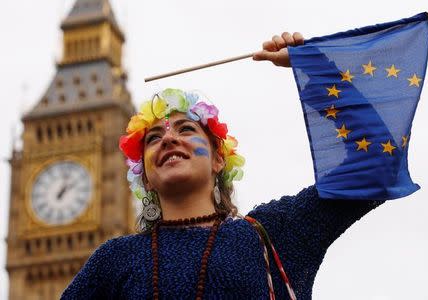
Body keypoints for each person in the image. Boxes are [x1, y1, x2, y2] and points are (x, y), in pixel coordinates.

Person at [61, 32, 385, 300]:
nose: (169, 138)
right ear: (144, 176)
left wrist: (316, 71)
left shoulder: (271, 233)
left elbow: (376, 161)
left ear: (219, 158)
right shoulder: (114, 261)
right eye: (153, 137)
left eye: (186, 129)